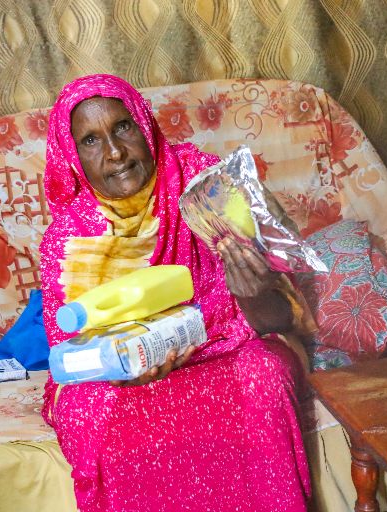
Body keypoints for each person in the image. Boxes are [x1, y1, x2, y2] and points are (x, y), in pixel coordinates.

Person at [40, 74, 311, 512]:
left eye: (122, 127)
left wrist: (251, 291)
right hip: (126, 378)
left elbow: (278, 318)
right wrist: (117, 367)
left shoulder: (204, 188)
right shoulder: (68, 240)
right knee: (84, 410)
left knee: (262, 372)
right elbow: (70, 355)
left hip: (223, 352)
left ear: (145, 125)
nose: (114, 152)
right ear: (72, 156)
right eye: (90, 140)